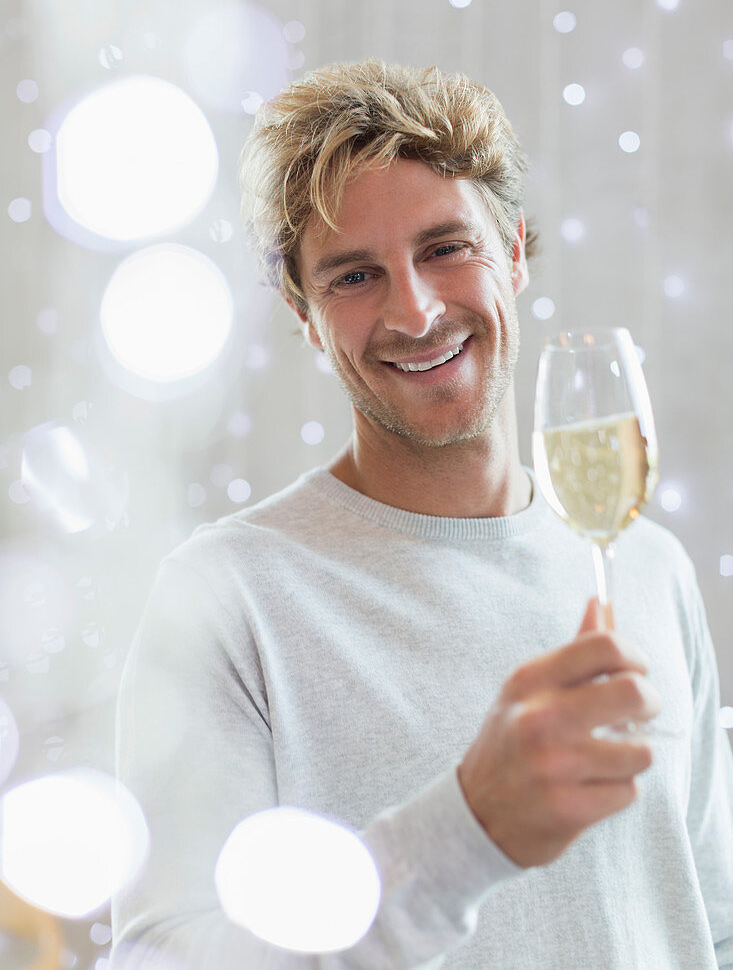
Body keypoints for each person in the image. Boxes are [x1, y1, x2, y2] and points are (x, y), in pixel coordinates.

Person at [111, 60, 733, 968]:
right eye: (354, 276)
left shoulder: (649, 568)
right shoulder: (226, 597)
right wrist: (465, 832)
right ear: (303, 316)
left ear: (514, 252)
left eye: (446, 248)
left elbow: (709, 922)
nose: (415, 310)